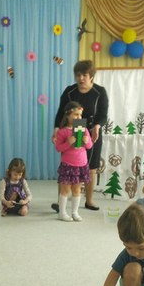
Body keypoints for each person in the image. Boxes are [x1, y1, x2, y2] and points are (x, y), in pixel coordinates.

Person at [52, 59, 109, 212]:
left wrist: (97, 126)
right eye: (78, 75)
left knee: (91, 168)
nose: (81, 78)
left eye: (84, 75)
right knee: (68, 166)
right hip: (71, 130)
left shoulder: (100, 92)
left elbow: (103, 115)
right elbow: (60, 113)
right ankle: (61, 201)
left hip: (90, 131)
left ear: (91, 76)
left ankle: (89, 201)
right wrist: (56, 129)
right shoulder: (69, 91)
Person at [54, 101, 93, 222]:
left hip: (81, 164)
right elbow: (58, 148)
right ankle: (62, 213)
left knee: (77, 190)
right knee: (65, 190)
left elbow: (89, 146)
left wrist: (87, 141)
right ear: (68, 115)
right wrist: (68, 143)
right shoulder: (62, 131)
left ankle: (75, 212)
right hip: (68, 165)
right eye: (76, 114)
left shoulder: (84, 129)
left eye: (80, 115)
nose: (79, 117)